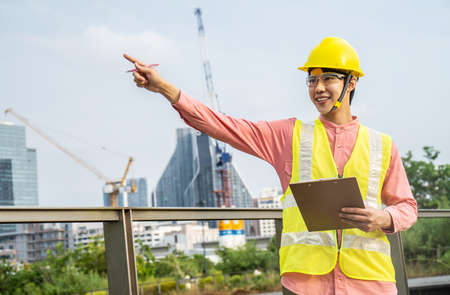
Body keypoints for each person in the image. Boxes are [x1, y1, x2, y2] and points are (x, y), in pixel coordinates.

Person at [124, 36, 417, 295]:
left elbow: (406, 206)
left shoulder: (382, 145)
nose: (318, 88)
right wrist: (165, 88)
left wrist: (384, 219)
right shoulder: (289, 135)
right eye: (312, 80)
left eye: (328, 78)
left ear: (351, 83)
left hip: (371, 283)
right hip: (306, 284)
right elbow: (223, 126)